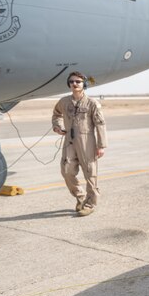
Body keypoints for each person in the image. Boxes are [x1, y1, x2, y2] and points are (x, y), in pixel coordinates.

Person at [51, 71, 107, 216]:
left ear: (84, 84)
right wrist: (57, 125)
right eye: (71, 82)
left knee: (90, 173)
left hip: (86, 141)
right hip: (69, 141)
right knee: (67, 170)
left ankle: (90, 204)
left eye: (78, 81)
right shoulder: (64, 102)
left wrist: (101, 145)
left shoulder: (92, 103)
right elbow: (56, 114)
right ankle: (81, 197)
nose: (74, 84)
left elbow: (100, 124)